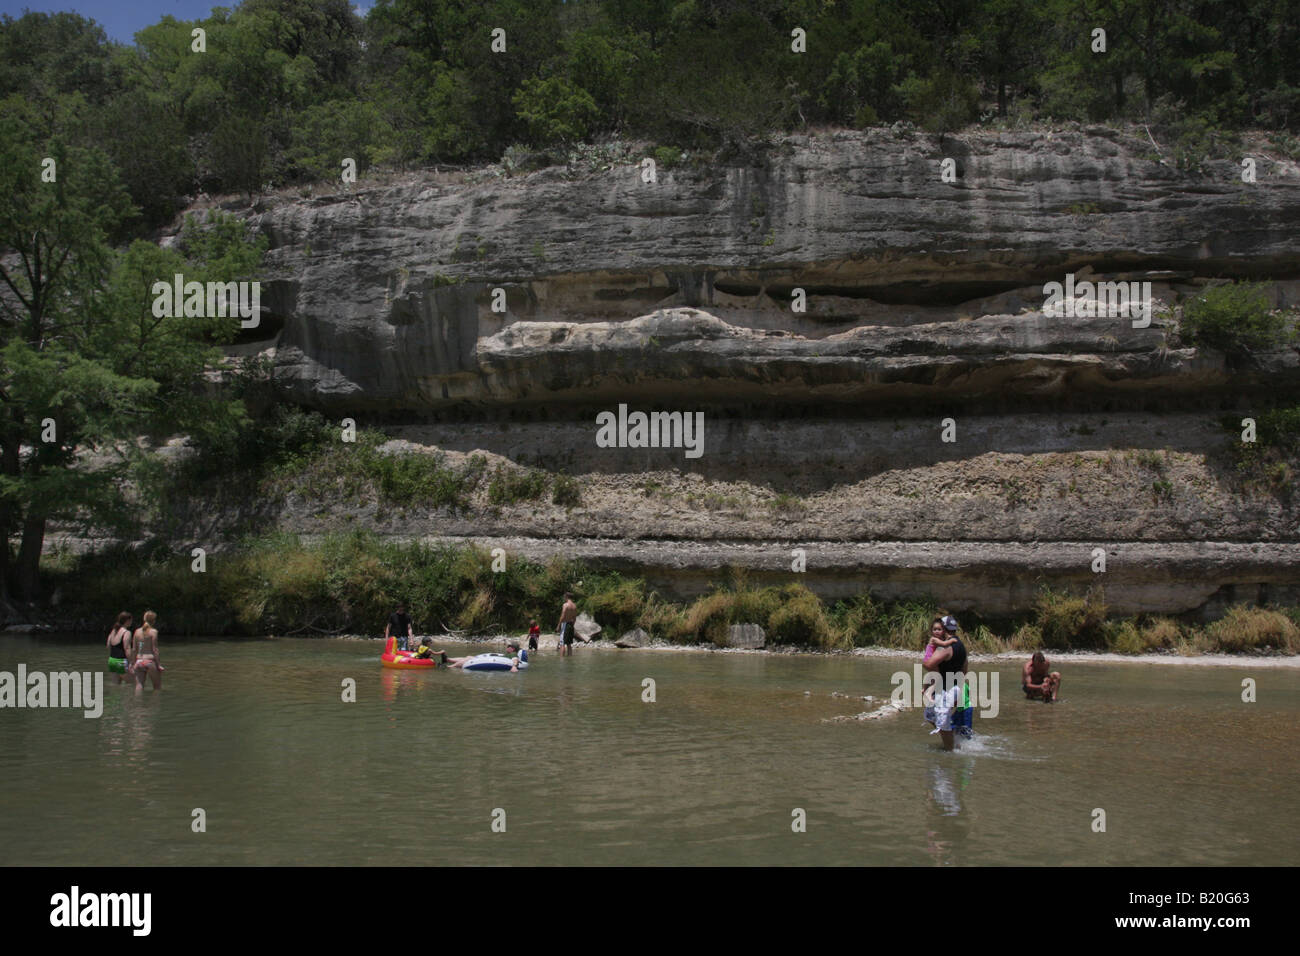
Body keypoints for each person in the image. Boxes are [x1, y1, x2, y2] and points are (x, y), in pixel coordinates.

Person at [922, 614, 971, 750]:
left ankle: (950, 752)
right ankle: (953, 738)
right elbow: (965, 669)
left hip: (947, 690)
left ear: (944, 629)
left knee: (942, 723)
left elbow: (928, 665)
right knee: (930, 715)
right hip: (952, 687)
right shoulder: (960, 645)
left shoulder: (947, 647)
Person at [130, 610, 162, 691]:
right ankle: (154, 703)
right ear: (154, 621)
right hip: (149, 661)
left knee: (139, 686)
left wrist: (132, 663)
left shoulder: (137, 632)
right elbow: (155, 649)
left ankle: (138, 703)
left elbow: (134, 649)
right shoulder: (154, 632)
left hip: (139, 661)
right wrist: (158, 665)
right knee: (157, 687)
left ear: (144, 619)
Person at [106, 612, 132, 684]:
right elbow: (127, 648)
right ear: (127, 620)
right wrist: (131, 663)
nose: (131, 622)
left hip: (111, 661)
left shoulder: (113, 631)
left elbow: (108, 645)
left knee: (115, 686)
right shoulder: (126, 632)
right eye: (131, 620)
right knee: (133, 684)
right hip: (121, 661)